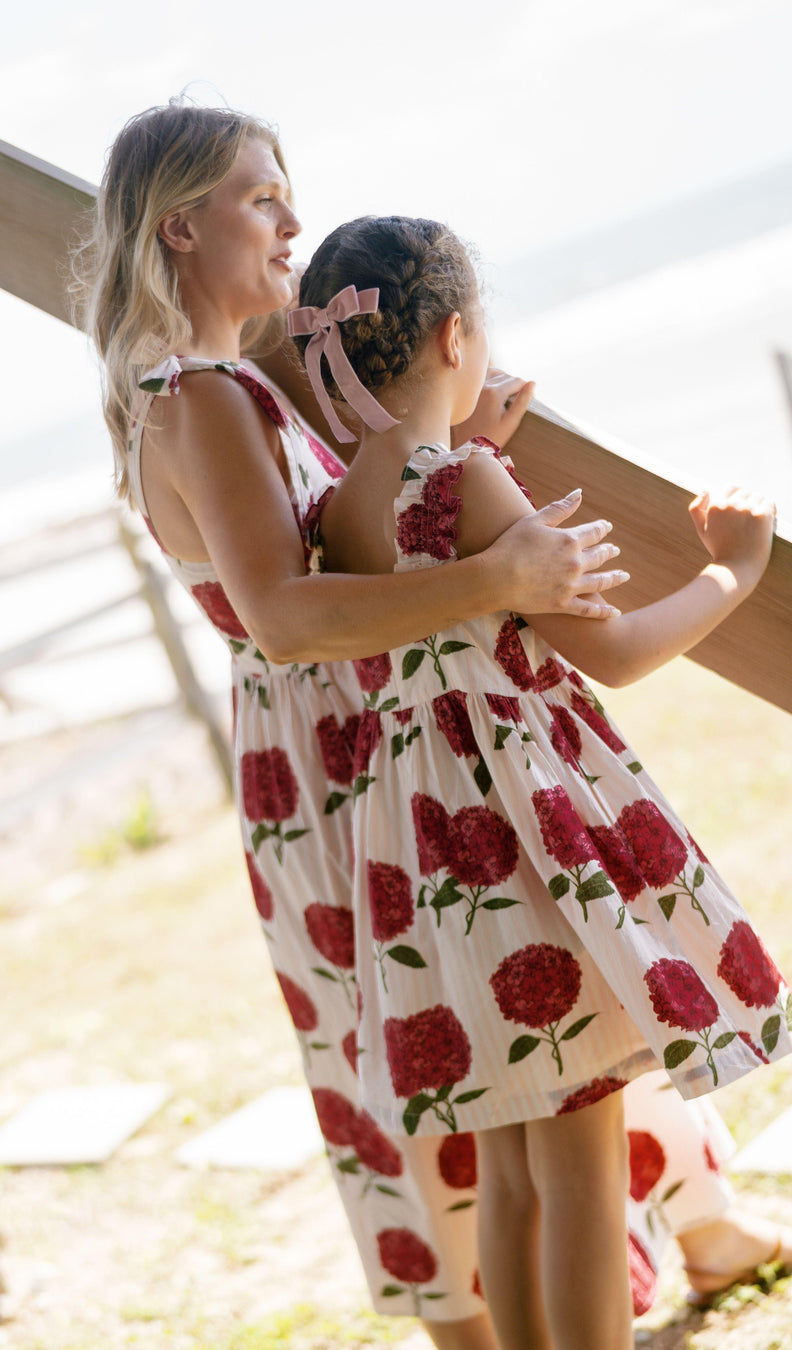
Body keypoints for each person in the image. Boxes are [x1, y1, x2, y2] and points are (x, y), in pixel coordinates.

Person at [82, 101, 791, 1349]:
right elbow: (293, 617)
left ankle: (648, 1251)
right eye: (261, 199)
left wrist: (458, 462)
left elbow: (371, 518)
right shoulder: (201, 399)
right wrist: (509, 569)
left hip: (396, 776)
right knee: (551, 1119)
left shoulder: (241, 391)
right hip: (378, 772)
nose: (289, 222)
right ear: (181, 226)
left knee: (514, 1128)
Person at [292, 213, 789, 1349]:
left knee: (512, 1170)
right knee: (582, 1164)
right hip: (521, 840)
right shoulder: (467, 482)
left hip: (421, 846)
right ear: (458, 335)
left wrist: (485, 451)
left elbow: (423, 549)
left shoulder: (339, 508)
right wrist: (731, 571)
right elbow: (611, 649)